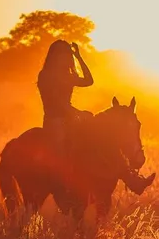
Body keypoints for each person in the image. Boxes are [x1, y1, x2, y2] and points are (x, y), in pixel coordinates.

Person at [36, 39, 153, 194]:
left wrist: (78, 56)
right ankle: (64, 189)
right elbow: (56, 103)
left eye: (67, 55)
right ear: (54, 56)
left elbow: (88, 81)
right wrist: (77, 113)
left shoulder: (67, 75)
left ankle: (133, 180)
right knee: (61, 153)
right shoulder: (46, 75)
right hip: (54, 121)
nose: (64, 58)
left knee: (103, 140)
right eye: (61, 54)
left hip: (71, 118)